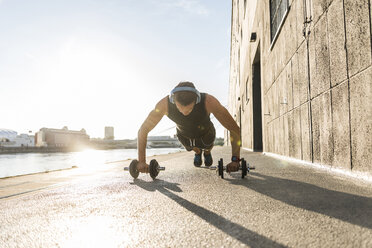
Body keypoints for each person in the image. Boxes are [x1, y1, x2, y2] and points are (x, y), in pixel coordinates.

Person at [137, 81, 241, 173]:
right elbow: (143, 129)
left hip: (206, 133)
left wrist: (235, 160)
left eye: (189, 109)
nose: (184, 113)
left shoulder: (209, 101)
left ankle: (207, 152)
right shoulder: (164, 105)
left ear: (197, 100)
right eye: (179, 108)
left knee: (207, 145)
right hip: (184, 134)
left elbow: (234, 129)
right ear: (173, 100)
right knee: (191, 147)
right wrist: (141, 161)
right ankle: (198, 152)